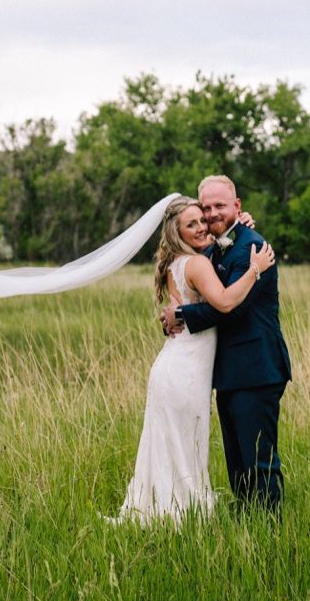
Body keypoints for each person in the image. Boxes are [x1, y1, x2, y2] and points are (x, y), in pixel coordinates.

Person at [112, 196, 276, 524]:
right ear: (176, 231)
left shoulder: (181, 261)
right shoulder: (197, 264)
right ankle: (182, 516)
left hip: (176, 367)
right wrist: (256, 269)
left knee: (174, 444)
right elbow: (227, 302)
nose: (202, 226)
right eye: (192, 224)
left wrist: (237, 227)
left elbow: (217, 251)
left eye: (203, 220)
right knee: (184, 444)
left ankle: (166, 511)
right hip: (184, 372)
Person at [161, 175, 291, 512]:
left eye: (220, 206)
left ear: (237, 206)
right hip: (231, 373)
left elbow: (229, 309)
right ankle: (249, 522)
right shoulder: (217, 246)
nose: (212, 213)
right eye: (207, 208)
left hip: (256, 370)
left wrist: (182, 314)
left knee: (259, 460)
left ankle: (268, 529)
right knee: (238, 461)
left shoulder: (251, 248)